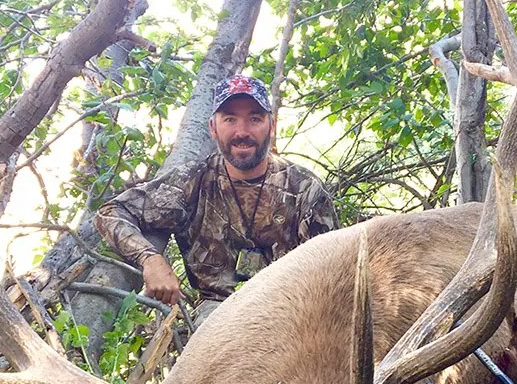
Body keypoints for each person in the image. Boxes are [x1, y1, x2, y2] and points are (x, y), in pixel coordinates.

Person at [95, 74, 338, 322]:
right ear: (213, 127)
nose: (242, 132)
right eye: (230, 119)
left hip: (291, 312)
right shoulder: (192, 181)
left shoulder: (305, 188)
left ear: (271, 125)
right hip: (217, 313)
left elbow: (333, 273)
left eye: (254, 119)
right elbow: (111, 212)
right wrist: (150, 259)